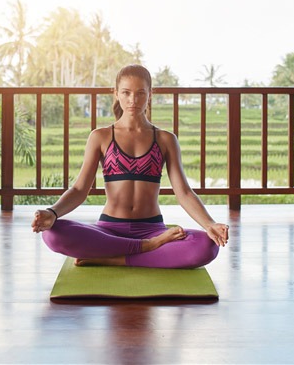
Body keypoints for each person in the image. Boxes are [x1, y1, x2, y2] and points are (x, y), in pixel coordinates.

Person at [31, 64, 229, 268]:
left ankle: (114, 258)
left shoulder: (165, 139)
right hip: (109, 230)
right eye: (126, 93)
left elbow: (184, 193)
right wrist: (52, 213)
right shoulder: (100, 137)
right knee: (52, 234)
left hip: (153, 229)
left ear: (150, 94)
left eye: (140, 93)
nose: (133, 100)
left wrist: (209, 224)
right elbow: (80, 190)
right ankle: (147, 248)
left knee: (207, 245)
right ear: (116, 93)